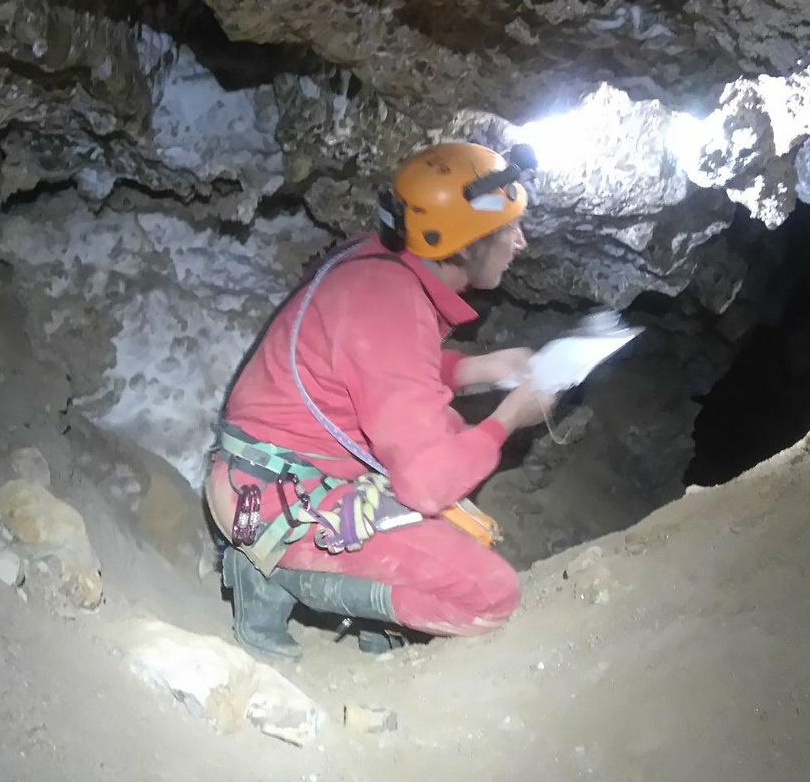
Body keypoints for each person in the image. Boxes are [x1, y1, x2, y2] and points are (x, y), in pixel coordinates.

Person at [205, 142, 559, 659]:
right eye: (507, 230)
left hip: (272, 468)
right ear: (463, 246)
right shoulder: (390, 301)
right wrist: (510, 418)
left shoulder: (382, 264)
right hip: (267, 500)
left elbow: (380, 366)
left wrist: (478, 369)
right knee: (491, 594)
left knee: (454, 433)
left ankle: (344, 572)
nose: (520, 242)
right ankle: (275, 570)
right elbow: (427, 484)